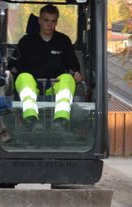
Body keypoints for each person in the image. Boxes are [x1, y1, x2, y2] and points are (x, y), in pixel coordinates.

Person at [14, 4, 82, 132]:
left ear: (56, 22)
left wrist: (76, 74)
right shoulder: (26, 42)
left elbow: (73, 66)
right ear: (39, 20)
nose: (49, 25)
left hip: (54, 89)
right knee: (23, 77)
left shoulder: (63, 41)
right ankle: (32, 121)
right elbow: (14, 66)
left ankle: (60, 121)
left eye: (53, 21)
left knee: (67, 79)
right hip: (32, 87)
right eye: (46, 20)